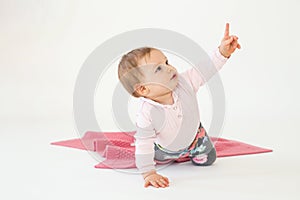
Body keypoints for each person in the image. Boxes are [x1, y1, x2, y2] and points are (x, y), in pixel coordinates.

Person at [117, 23, 241, 188]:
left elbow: (205, 69)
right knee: (151, 151)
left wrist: (222, 52)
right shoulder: (147, 113)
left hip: (195, 138)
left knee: (209, 159)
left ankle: (193, 150)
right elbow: (144, 144)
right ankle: (170, 156)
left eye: (166, 62)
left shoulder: (185, 82)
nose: (169, 69)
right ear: (143, 89)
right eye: (159, 69)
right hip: (165, 149)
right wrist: (148, 172)